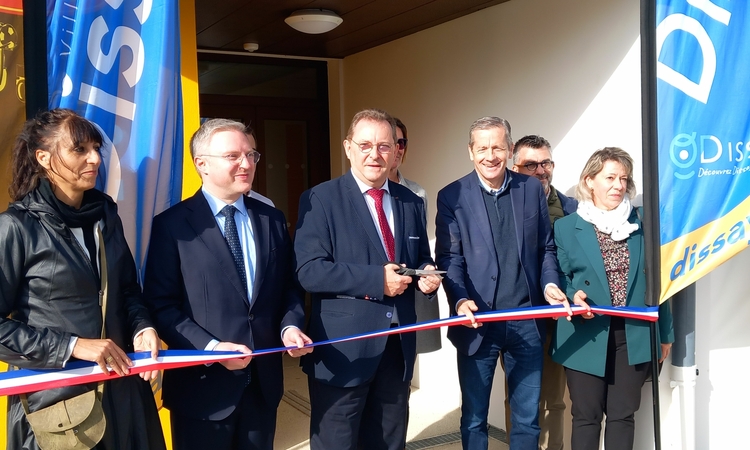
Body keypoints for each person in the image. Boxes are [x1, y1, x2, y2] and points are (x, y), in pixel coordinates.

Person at [0, 108, 165, 449]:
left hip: (123, 395)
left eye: (95, 149)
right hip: (59, 407)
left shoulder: (105, 215)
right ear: (43, 157)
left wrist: (142, 327)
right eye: (79, 149)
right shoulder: (16, 226)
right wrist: (72, 346)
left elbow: (127, 290)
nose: (94, 159)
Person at [143, 118, 312, 450]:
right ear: (201, 164)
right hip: (202, 391)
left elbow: (288, 288)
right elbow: (161, 306)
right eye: (234, 156)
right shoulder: (173, 226)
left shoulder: (271, 219)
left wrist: (290, 326)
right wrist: (211, 348)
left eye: (251, 155)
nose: (246, 164)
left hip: (263, 386)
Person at [294, 108, 441, 450]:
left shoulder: (410, 201)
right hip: (343, 352)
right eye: (365, 145)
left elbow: (420, 258)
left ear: (395, 151)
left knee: (390, 442)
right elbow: (309, 270)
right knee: (337, 443)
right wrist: (377, 280)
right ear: (348, 148)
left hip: (397, 346)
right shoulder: (321, 198)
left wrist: (427, 275)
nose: (374, 154)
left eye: (384, 146)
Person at [435, 117, 567, 450]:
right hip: (478, 321)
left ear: (509, 149)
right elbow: (450, 259)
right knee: (475, 418)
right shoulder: (452, 196)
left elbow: (545, 248)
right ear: (470, 151)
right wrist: (460, 299)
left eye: (497, 147)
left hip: (526, 321)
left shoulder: (530, 189)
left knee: (527, 418)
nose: (490, 155)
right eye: (482, 148)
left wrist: (550, 284)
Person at [550, 147, 674, 450]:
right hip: (584, 334)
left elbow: (661, 280)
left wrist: (665, 333)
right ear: (590, 180)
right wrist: (570, 294)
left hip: (633, 335)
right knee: (585, 416)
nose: (619, 185)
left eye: (623, 179)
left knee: (622, 415)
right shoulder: (566, 227)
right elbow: (560, 277)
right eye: (610, 177)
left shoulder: (645, 223)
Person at [503, 134, 577, 450]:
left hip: (560, 319)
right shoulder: (502, 208)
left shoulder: (573, 209)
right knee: (519, 398)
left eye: (545, 162)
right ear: (514, 167)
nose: (540, 170)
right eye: (530, 164)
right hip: (519, 318)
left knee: (556, 400)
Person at [389, 117, 440, 354]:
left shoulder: (417, 193)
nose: (397, 149)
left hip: (408, 293)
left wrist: (427, 270)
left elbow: (418, 247)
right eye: (392, 142)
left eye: (402, 142)